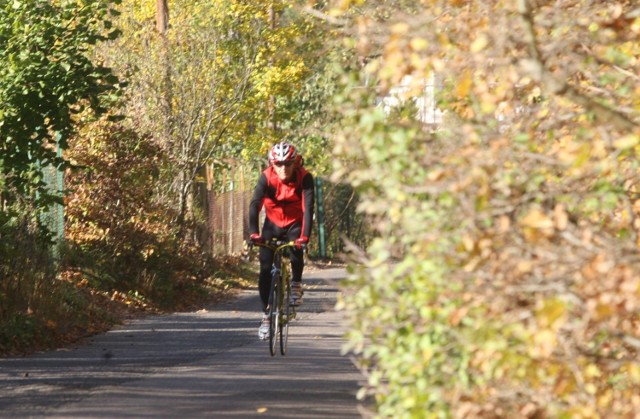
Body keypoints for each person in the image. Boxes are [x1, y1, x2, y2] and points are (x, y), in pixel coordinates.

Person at [248, 141, 315, 340]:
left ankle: (296, 283)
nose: (283, 168)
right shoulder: (266, 178)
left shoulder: (305, 178)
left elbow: (308, 208)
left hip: (295, 223)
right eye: (278, 164)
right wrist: (253, 233)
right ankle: (266, 316)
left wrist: (305, 237)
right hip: (273, 224)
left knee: (296, 247)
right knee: (265, 268)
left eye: (287, 164)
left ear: (295, 163)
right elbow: (254, 205)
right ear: (272, 164)